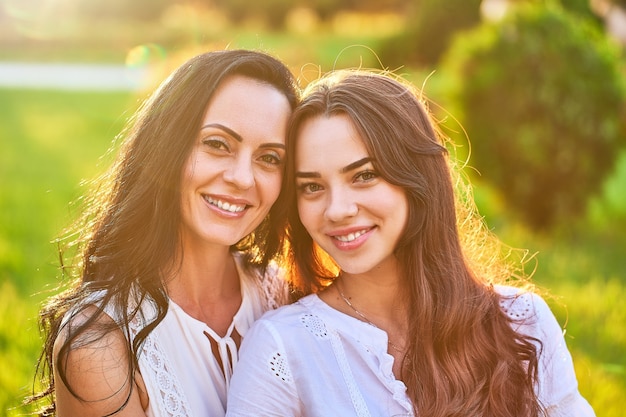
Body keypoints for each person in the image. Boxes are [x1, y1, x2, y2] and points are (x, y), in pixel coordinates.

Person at [226, 70, 595, 416]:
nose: (337, 210)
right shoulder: (282, 347)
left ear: (416, 178)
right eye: (312, 186)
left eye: (365, 175)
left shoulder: (522, 321)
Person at [28, 49, 299, 417]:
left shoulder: (289, 296)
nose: (242, 178)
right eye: (217, 144)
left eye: (269, 157)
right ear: (167, 147)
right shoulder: (100, 345)